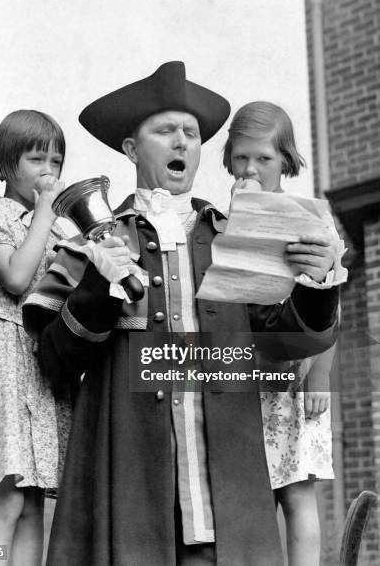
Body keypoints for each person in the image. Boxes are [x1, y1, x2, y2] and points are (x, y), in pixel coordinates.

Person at [23, 62, 339, 566]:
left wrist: (319, 283)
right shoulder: (92, 243)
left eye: (190, 133)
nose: (181, 142)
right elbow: (54, 361)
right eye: (165, 130)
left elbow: (287, 348)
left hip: (226, 494)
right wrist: (97, 289)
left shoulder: (233, 237)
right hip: (126, 486)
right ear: (131, 149)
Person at [222, 101, 347, 566]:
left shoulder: (309, 219)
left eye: (264, 159)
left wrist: (320, 375)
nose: (251, 168)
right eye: (241, 158)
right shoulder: (222, 216)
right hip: (244, 373)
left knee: (296, 492)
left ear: (286, 161)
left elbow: (329, 306)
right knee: (245, 495)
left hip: (295, 375)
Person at [0, 110, 73, 566]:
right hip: (5, 348)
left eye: (56, 161)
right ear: (7, 163)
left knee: (33, 505)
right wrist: (46, 209)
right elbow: (18, 277)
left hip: (43, 358)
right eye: (36, 159)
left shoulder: (60, 224)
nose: (48, 171)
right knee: (5, 501)